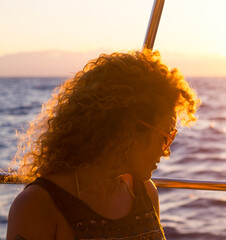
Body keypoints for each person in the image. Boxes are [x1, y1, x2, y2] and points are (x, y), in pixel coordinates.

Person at [6, 51, 200, 240]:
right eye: (164, 137)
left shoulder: (145, 193)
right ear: (129, 129)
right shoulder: (37, 205)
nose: (166, 151)